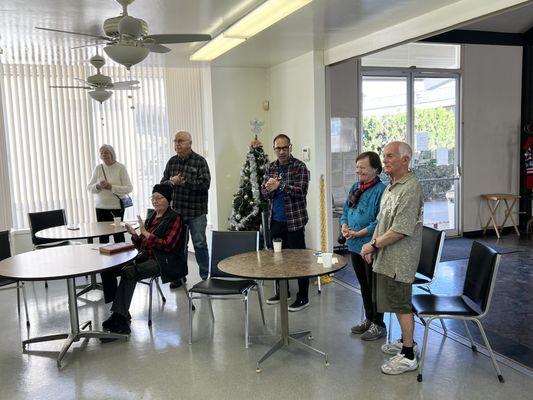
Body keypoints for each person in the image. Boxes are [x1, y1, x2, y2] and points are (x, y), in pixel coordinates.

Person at [360, 141, 424, 375]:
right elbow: (381, 221)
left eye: (389, 156)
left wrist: (373, 244)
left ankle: (408, 354)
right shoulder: (391, 186)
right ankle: (406, 341)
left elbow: (400, 229)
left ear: (404, 160)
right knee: (395, 303)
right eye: (384, 155)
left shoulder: (411, 188)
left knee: (401, 304)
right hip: (386, 256)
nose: (384, 160)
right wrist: (373, 247)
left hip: (400, 260)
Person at [101, 184, 183, 337]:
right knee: (109, 270)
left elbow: (168, 246)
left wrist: (146, 233)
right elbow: (142, 245)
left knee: (129, 272)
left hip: (165, 261)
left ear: (169, 200)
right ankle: (120, 313)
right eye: (153, 198)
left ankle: (120, 319)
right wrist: (135, 235)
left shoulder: (175, 218)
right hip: (146, 257)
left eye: (160, 198)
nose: (156, 201)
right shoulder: (152, 216)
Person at [261, 134, 311, 312]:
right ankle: (282, 292)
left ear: (290, 147)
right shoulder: (270, 167)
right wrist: (269, 188)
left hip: (295, 221)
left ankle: (303, 296)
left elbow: (301, 191)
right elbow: (264, 193)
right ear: (274, 149)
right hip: (276, 221)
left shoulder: (299, 167)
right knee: (277, 259)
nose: (281, 152)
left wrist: (280, 186)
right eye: (278, 148)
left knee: (299, 260)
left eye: (284, 148)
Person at [341, 151, 387, 341]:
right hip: (353, 246)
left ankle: (379, 324)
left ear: (375, 169)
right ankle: (368, 319)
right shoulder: (355, 187)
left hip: (370, 246)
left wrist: (360, 233)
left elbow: (380, 220)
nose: (358, 171)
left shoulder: (382, 190)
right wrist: (344, 225)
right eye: (357, 167)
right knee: (363, 285)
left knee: (374, 286)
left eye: (363, 167)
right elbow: (346, 210)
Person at [161, 131, 211, 285]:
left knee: (200, 244)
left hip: (196, 212)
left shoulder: (200, 161)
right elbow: (162, 185)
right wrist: (171, 181)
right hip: (178, 213)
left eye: (180, 141)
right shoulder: (172, 162)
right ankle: (179, 276)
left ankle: (206, 276)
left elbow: (205, 185)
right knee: (179, 246)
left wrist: (184, 183)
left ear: (190, 143)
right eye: (175, 141)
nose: (177, 144)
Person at [87, 144, 133, 303]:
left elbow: (129, 188)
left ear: (112, 153)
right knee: (103, 239)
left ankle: (123, 268)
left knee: (118, 238)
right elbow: (90, 188)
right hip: (100, 207)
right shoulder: (98, 168)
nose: (104, 155)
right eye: (101, 153)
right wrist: (98, 186)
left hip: (116, 208)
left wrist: (111, 187)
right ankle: (105, 271)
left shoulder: (120, 168)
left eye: (106, 152)